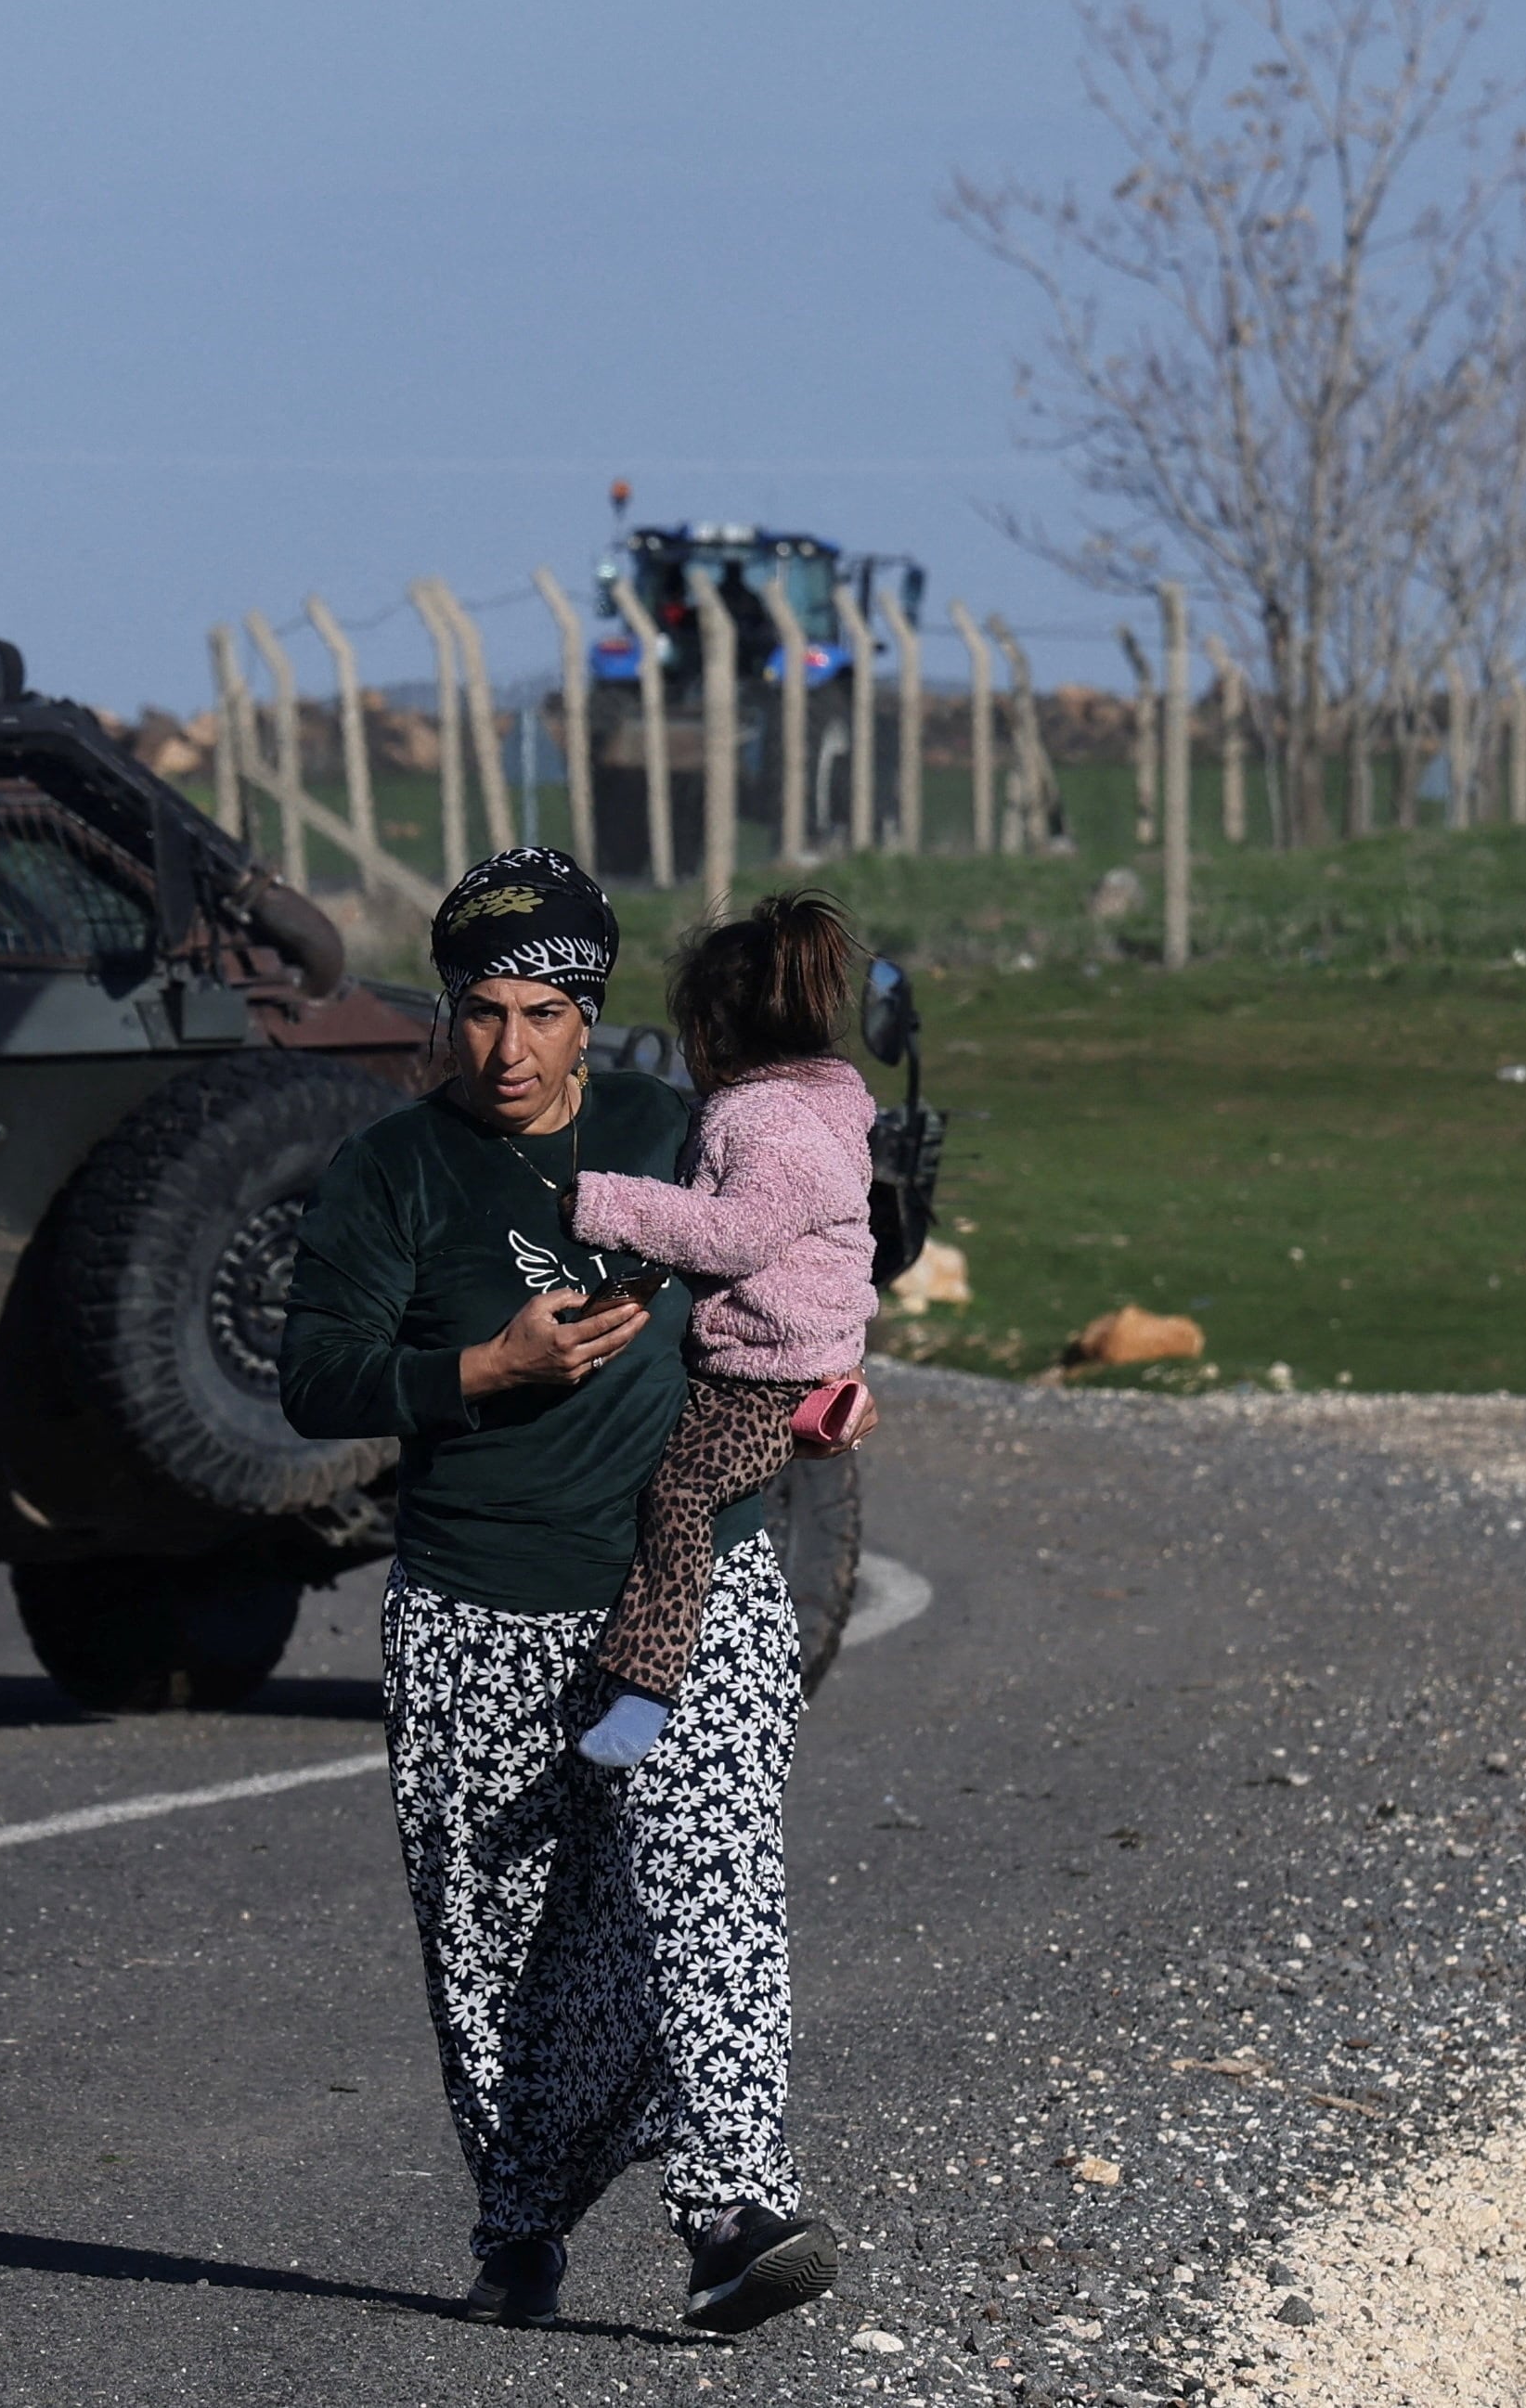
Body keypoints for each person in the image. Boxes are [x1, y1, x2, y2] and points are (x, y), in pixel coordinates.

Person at [278, 847, 834, 2336]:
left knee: (709, 1880)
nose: (508, 1048)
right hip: (476, 1610)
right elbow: (314, 1376)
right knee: (511, 1948)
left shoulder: (676, 1132)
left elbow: (791, 1277)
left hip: (689, 1581)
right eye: (479, 1012)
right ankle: (522, 2221)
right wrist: (484, 1368)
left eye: (540, 1012)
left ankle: (736, 2209)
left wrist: (835, 1386)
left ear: (591, 1016)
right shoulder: (393, 1171)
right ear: (444, 1015)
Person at [566, 893, 879, 1770]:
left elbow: (730, 1233)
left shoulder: (767, 1122)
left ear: (711, 1031)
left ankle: (646, 1686)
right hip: (773, 1353)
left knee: (680, 1493)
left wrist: (604, 1204)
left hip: (772, 1373)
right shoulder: (814, 1103)